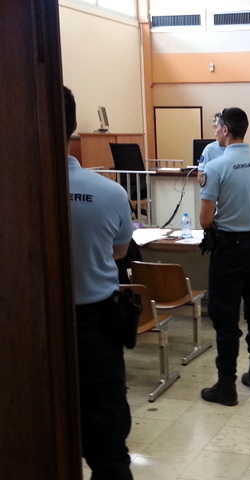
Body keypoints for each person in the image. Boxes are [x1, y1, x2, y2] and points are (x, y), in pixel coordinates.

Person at [65, 86, 135, 479]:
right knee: (107, 447)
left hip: (27, 331)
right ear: (74, 126)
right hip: (95, 327)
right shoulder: (110, 192)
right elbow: (119, 251)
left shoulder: (17, 190)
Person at [199, 107, 250, 405]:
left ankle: (226, 386)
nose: (214, 132)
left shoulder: (215, 167)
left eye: (217, 127)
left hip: (228, 251)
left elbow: (205, 220)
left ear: (225, 129)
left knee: (226, 319)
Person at [197, 113, 225, 184]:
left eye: (217, 127)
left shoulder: (238, 151)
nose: (215, 133)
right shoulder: (210, 149)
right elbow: (200, 175)